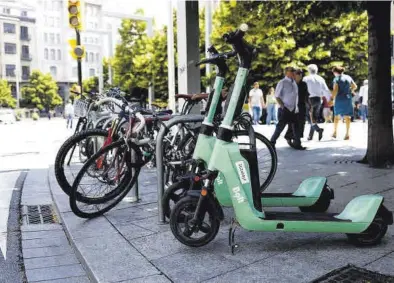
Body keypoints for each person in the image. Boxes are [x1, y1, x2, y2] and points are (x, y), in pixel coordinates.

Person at [270, 66, 305, 150]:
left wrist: (296, 107)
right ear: (286, 72)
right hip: (285, 109)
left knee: (296, 127)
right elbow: (277, 96)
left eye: (294, 71)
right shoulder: (282, 82)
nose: (294, 72)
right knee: (280, 127)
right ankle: (271, 143)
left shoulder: (294, 82)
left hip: (293, 109)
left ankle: (297, 144)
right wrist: (283, 107)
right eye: (292, 71)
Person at [303, 64, 331, 141]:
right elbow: (326, 90)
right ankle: (310, 136)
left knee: (309, 118)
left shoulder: (306, 78)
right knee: (313, 118)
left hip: (309, 99)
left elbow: (302, 89)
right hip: (318, 99)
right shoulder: (321, 79)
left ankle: (318, 130)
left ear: (309, 70)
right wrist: (329, 101)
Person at [284, 68, 310, 145]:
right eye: (298, 73)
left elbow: (306, 95)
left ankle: (295, 138)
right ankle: (295, 140)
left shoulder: (304, 84)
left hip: (301, 105)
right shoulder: (290, 83)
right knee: (293, 123)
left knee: (301, 122)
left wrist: (309, 105)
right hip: (292, 106)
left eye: (301, 74)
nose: (300, 75)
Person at [331, 66, 357, 140]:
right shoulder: (348, 77)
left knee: (336, 116)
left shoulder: (336, 79)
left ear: (335, 72)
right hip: (348, 98)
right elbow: (355, 86)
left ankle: (335, 132)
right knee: (347, 116)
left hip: (339, 99)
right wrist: (349, 90)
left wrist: (331, 98)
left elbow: (335, 90)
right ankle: (347, 134)